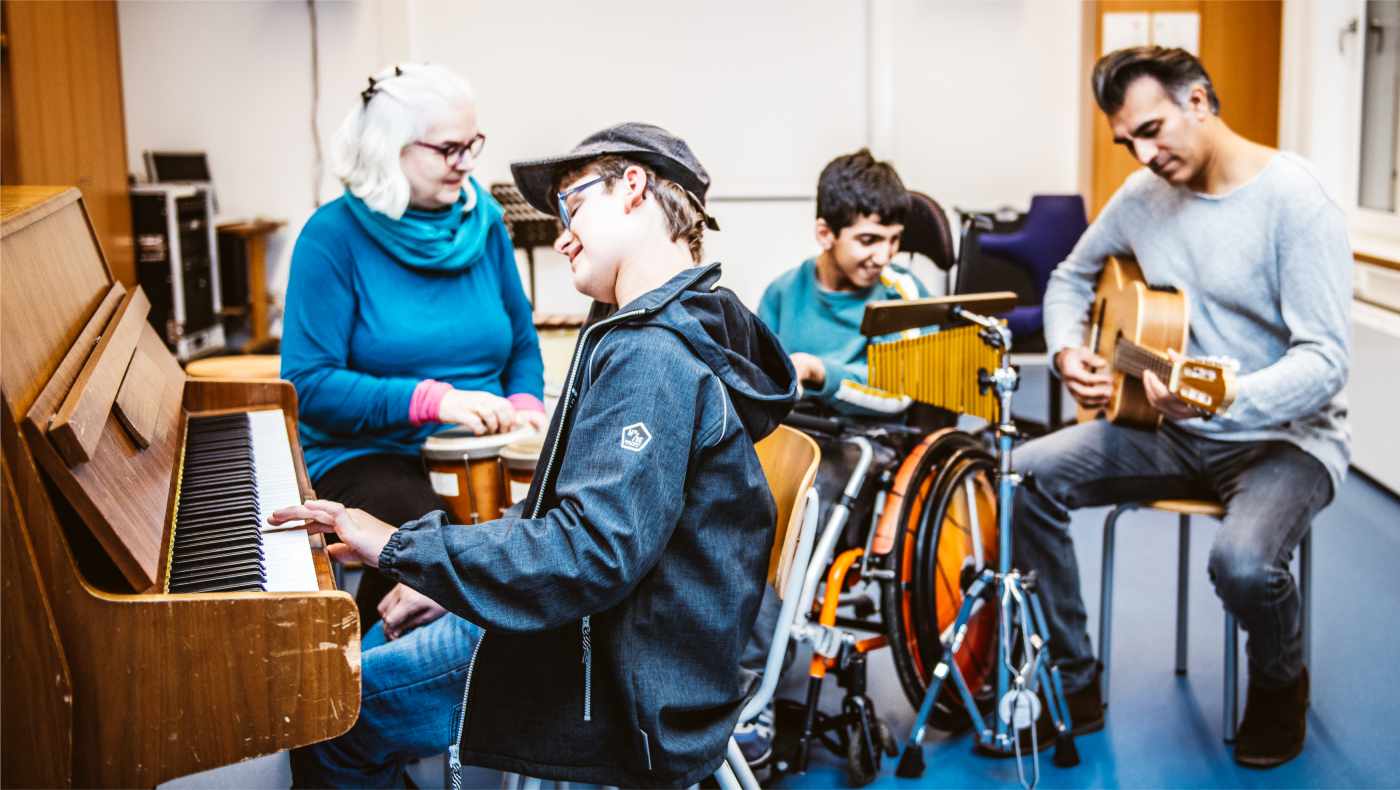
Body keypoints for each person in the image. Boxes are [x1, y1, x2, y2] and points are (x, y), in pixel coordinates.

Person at [271, 122, 799, 788]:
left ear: (632, 187)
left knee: (327, 711)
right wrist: (443, 575)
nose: (562, 235)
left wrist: (400, 549)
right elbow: (577, 528)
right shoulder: (680, 326)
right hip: (617, 636)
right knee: (364, 654)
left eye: (572, 207)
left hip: (611, 677)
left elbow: (587, 553)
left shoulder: (652, 355)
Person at [1013, 47, 1351, 768]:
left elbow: (1326, 362)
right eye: (1126, 140)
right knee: (1022, 475)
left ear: (1199, 100)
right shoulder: (1143, 197)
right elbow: (1071, 275)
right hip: (1172, 431)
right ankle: (1073, 683)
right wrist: (1070, 347)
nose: (1142, 152)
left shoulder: (1296, 200)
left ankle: (1280, 682)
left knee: (1244, 565)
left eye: (1152, 128)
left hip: (1285, 443)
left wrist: (1228, 395)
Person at [280, 63, 545, 637]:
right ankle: (375, 689)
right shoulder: (331, 238)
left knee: (559, 541)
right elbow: (310, 385)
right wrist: (431, 400)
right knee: (428, 544)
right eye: (449, 148)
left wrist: (525, 406)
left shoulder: (487, 224)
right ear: (389, 149)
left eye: (473, 144)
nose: (468, 163)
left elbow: (521, 343)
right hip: (369, 455)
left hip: (484, 447)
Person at [758, 148, 928, 417]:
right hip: (798, 431)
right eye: (869, 240)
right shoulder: (781, 292)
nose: (884, 256)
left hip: (871, 439)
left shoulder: (902, 293)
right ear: (826, 234)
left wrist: (818, 372)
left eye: (894, 239)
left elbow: (899, 393)